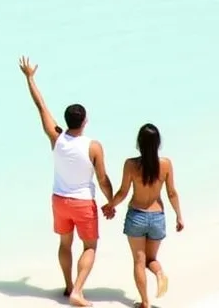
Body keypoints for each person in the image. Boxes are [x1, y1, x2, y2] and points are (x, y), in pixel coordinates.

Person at [18, 57, 115, 307]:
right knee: (90, 247)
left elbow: (41, 106)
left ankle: (68, 285)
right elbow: (103, 178)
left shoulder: (56, 138)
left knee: (64, 244)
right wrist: (112, 201)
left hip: (59, 201)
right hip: (83, 203)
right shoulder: (93, 146)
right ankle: (78, 291)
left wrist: (29, 78)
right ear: (84, 122)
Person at [101, 123, 184, 308]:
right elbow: (172, 193)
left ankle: (145, 302)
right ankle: (160, 274)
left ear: (139, 142)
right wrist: (179, 216)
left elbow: (123, 191)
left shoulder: (131, 165)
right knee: (151, 260)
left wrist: (110, 205)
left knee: (139, 261)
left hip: (137, 216)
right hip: (157, 217)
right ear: (158, 143)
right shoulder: (166, 164)